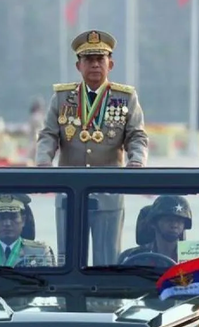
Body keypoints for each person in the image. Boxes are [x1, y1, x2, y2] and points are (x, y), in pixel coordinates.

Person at [35, 29, 149, 265]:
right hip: (69, 194)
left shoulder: (125, 98)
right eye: (89, 60)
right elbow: (48, 134)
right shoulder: (63, 98)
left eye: (100, 59)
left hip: (107, 195)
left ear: (111, 64)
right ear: (79, 66)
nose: (95, 65)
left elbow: (137, 136)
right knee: (68, 260)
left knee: (106, 262)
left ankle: (105, 303)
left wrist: (136, 161)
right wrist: (43, 162)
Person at [0, 194, 56, 267]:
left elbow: (47, 287)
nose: (7, 223)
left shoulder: (40, 252)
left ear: (23, 220)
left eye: (13, 217)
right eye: (1, 217)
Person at [117, 195, 192, 264]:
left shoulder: (192, 258)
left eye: (179, 221)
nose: (174, 225)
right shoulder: (132, 258)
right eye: (169, 220)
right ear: (153, 223)